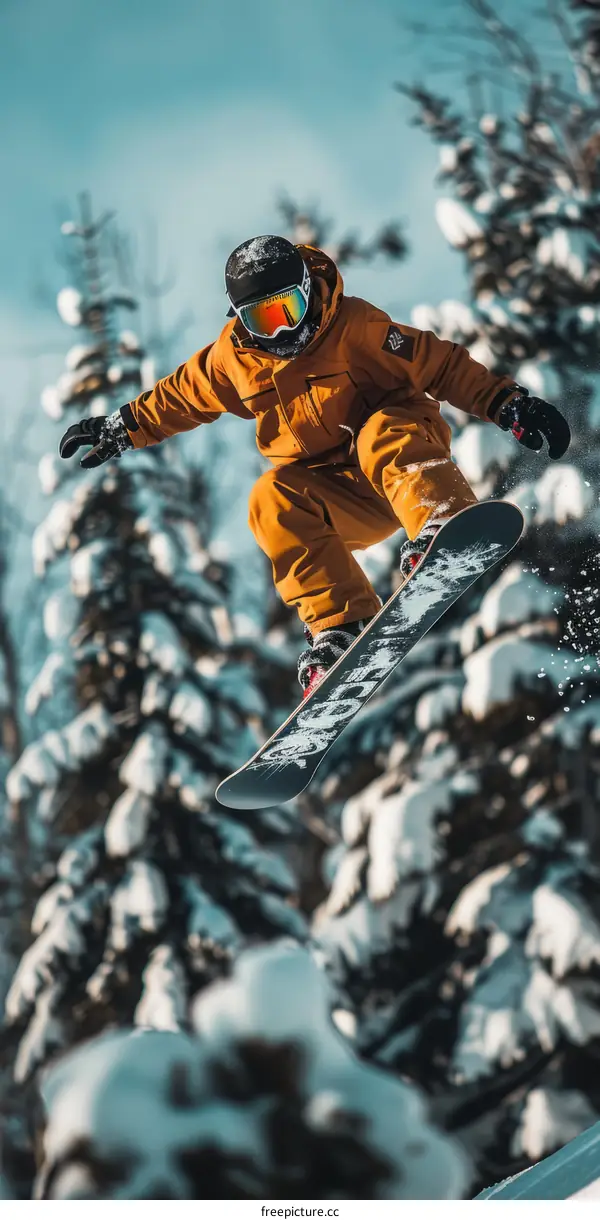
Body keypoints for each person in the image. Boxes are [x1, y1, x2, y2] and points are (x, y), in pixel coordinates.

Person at [60, 235, 571, 699]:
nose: (283, 329)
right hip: (343, 496)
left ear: (309, 290)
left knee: (381, 432)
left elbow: (440, 363)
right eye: (264, 319)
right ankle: (341, 625)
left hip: (406, 464)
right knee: (270, 498)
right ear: (240, 319)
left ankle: (442, 521)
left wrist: (508, 404)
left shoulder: (355, 328)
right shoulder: (232, 360)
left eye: (290, 308)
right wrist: (121, 426)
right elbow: (179, 397)